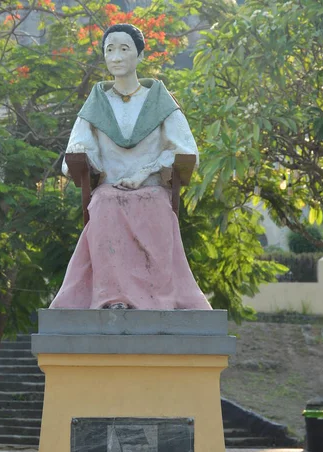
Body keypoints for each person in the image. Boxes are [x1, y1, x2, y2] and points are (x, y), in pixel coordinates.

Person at [50, 23, 211, 310]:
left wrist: (145, 173)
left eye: (125, 49)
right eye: (110, 49)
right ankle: (111, 298)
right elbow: (74, 156)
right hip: (108, 190)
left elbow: (187, 152)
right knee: (103, 204)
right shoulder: (96, 104)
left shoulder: (160, 102)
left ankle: (155, 299)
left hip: (150, 188)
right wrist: (80, 154)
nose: (116, 56)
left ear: (139, 55)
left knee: (154, 204)